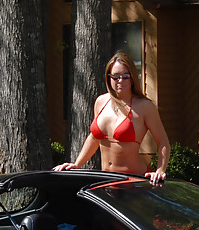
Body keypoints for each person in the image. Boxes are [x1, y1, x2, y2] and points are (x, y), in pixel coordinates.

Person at [54, 52, 170, 184]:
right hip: (106, 180)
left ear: (132, 78)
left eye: (125, 76)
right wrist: (77, 164)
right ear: (108, 78)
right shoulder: (101, 102)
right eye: (115, 76)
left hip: (134, 181)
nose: (120, 80)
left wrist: (160, 170)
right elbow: (94, 137)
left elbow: (163, 142)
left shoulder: (144, 106)